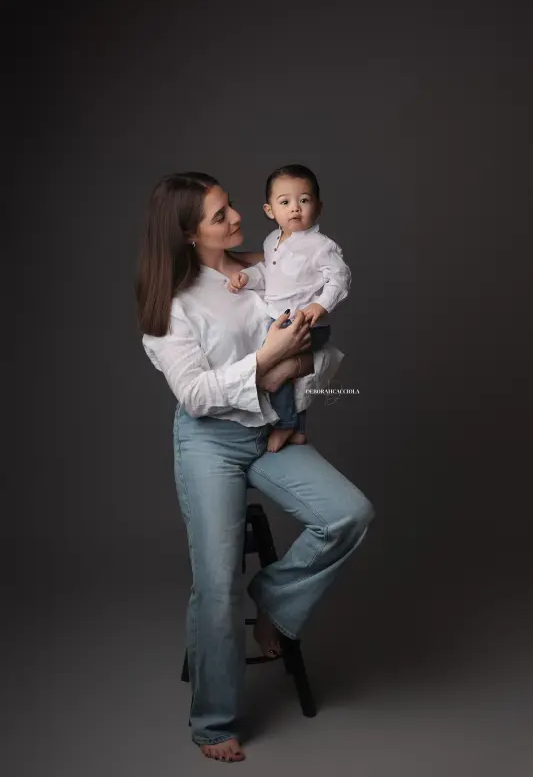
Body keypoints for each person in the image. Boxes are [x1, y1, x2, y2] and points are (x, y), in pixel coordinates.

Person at [136, 172, 374, 764]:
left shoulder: (265, 267)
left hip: (269, 432)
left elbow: (318, 343)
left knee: (348, 514)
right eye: (220, 215)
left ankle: (274, 603)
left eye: (231, 206)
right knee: (216, 584)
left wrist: (294, 368)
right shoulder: (171, 303)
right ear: (188, 234)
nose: (238, 217)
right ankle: (213, 721)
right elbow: (195, 395)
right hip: (209, 444)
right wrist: (267, 362)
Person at [227, 164, 351, 453]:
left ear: (318, 207)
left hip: (305, 323)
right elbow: (269, 274)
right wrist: (247, 278)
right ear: (270, 210)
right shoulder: (272, 241)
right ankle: (297, 429)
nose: (295, 208)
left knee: (274, 370)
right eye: (285, 202)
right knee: (284, 375)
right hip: (279, 319)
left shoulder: (321, 246)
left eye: (304, 200)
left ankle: (285, 424)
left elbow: (341, 277)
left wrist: (321, 304)